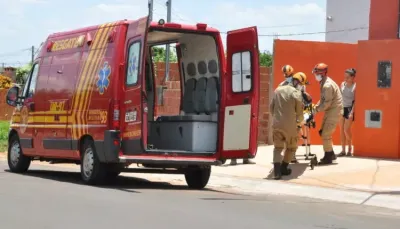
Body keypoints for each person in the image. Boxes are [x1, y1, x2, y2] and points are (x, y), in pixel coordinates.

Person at [270, 72, 306, 180]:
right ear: (297, 82)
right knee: (292, 147)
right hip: (290, 125)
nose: (301, 86)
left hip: (276, 123)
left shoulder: (278, 90)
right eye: (301, 84)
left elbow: (271, 107)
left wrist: (277, 119)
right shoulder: (296, 93)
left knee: (277, 148)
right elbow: (299, 112)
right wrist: (300, 122)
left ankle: (276, 172)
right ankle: (284, 167)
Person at [312, 63, 343, 165]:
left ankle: (328, 157)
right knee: (323, 132)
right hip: (331, 110)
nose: (315, 75)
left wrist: (315, 111)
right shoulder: (324, 82)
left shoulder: (327, 85)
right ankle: (331, 154)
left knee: (326, 134)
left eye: (316, 73)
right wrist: (314, 107)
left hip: (334, 111)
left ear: (322, 73)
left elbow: (326, 103)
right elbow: (322, 100)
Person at [338, 68, 356, 157]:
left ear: (353, 77)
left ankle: (350, 149)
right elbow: (340, 97)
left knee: (346, 130)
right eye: (345, 77)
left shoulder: (355, 86)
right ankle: (343, 150)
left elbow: (356, 101)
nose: (346, 79)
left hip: (349, 109)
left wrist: (352, 112)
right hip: (342, 108)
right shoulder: (342, 84)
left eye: (348, 77)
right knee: (341, 130)